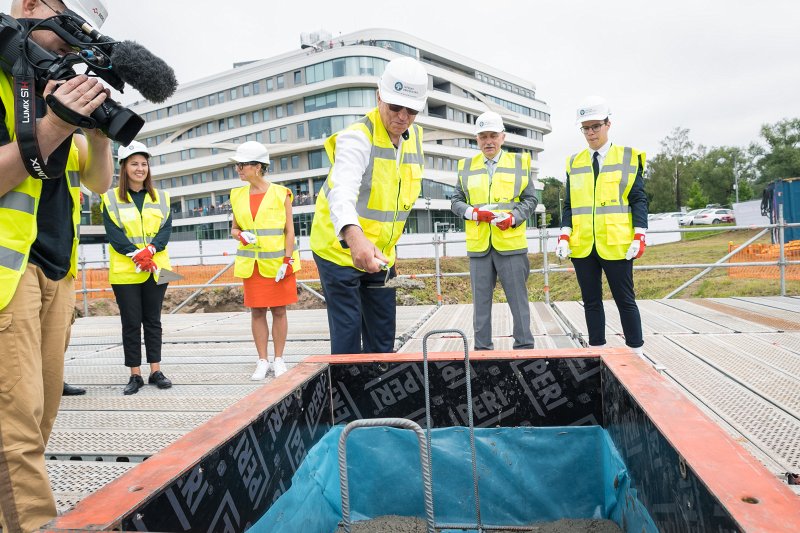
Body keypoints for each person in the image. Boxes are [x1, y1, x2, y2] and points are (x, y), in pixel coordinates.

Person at [0, 2, 114, 531]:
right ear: (28, 5)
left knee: (40, 420)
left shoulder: (54, 85)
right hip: (8, 275)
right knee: (13, 432)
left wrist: (97, 128)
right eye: (68, 26)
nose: (75, 46)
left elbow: (96, 184)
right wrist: (54, 122)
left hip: (54, 270)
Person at [310, 56, 427, 355]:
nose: (403, 116)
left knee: (382, 337)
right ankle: (347, 399)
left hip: (380, 255)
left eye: (411, 110)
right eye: (395, 107)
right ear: (379, 97)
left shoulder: (414, 140)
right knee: (348, 336)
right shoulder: (356, 138)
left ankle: (377, 397)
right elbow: (343, 192)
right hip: (338, 250)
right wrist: (354, 236)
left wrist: (374, 246)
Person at [556, 96, 648, 357]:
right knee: (591, 301)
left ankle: (636, 352)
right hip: (583, 243)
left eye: (596, 126)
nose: (590, 132)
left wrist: (639, 234)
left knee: (625, 300)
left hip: (617, 242)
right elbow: (570, 205)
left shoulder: (629, 157)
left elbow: (638, 198)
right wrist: (564, 235)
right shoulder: (574, 162)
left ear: (608, 124)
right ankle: (597, 350)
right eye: (585, 128)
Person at [451, 111, 538, 351]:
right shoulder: (465, 167)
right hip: (480, 246)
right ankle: (482, 351)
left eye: (492, 135)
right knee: (481, 304)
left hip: (510, 244)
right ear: (477, 139)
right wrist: (473, 213)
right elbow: (456, 201)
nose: (488, 141)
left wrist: (513, 218)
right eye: (482, 136)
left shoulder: (520, 163)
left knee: (518, 302)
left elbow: (530, 200)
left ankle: (524, 349)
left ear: (503, 137)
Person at [102, 141, 173, 395]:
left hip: (157, 268)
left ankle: (156, 370)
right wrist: (136, 255)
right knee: (131, 322)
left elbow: (165, 231)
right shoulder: (109, 198)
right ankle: (135, 374)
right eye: (134, 163)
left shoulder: (162, 197)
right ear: (124, 167)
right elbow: (114, 234)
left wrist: (151, 250)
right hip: (126, 271)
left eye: (144, 163)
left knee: (153, 320)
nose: (140, 168)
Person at [229, 141, 299, 379]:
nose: (238, 169)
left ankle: (279, 359)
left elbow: (290, 231)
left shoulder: (282, 193)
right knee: (257, 312)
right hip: (253, 266)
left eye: (242, 165)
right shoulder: (236, 195)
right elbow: (234, 229)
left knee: (279, 311)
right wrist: (241, 235)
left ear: (257, 166)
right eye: (237, 165)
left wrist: (287, 261)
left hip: (279, 264)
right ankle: (262, 360)